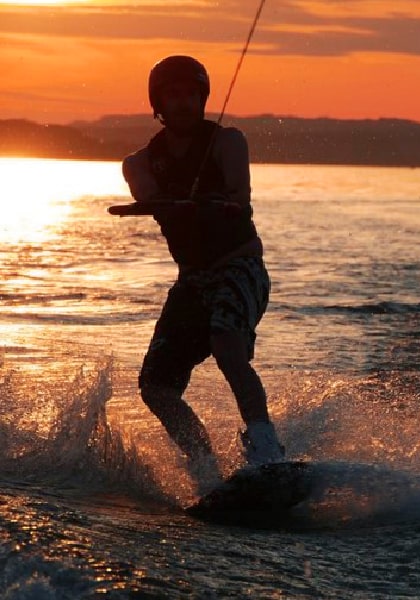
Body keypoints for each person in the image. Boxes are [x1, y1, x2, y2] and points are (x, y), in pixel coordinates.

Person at [121, 55, 284, 490]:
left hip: (240, 266)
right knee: (155, 386)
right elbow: (149, 197)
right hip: (192, 280)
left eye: (190, 94)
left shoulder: (229, 142)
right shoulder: (137, 164)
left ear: (202, 97)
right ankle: (205, 467)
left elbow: (241, 196)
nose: (183, 103)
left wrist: (216, 203)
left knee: (226, 343)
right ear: (158, 101)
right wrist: (172, 204)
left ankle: (267, 450)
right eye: (172, 95)